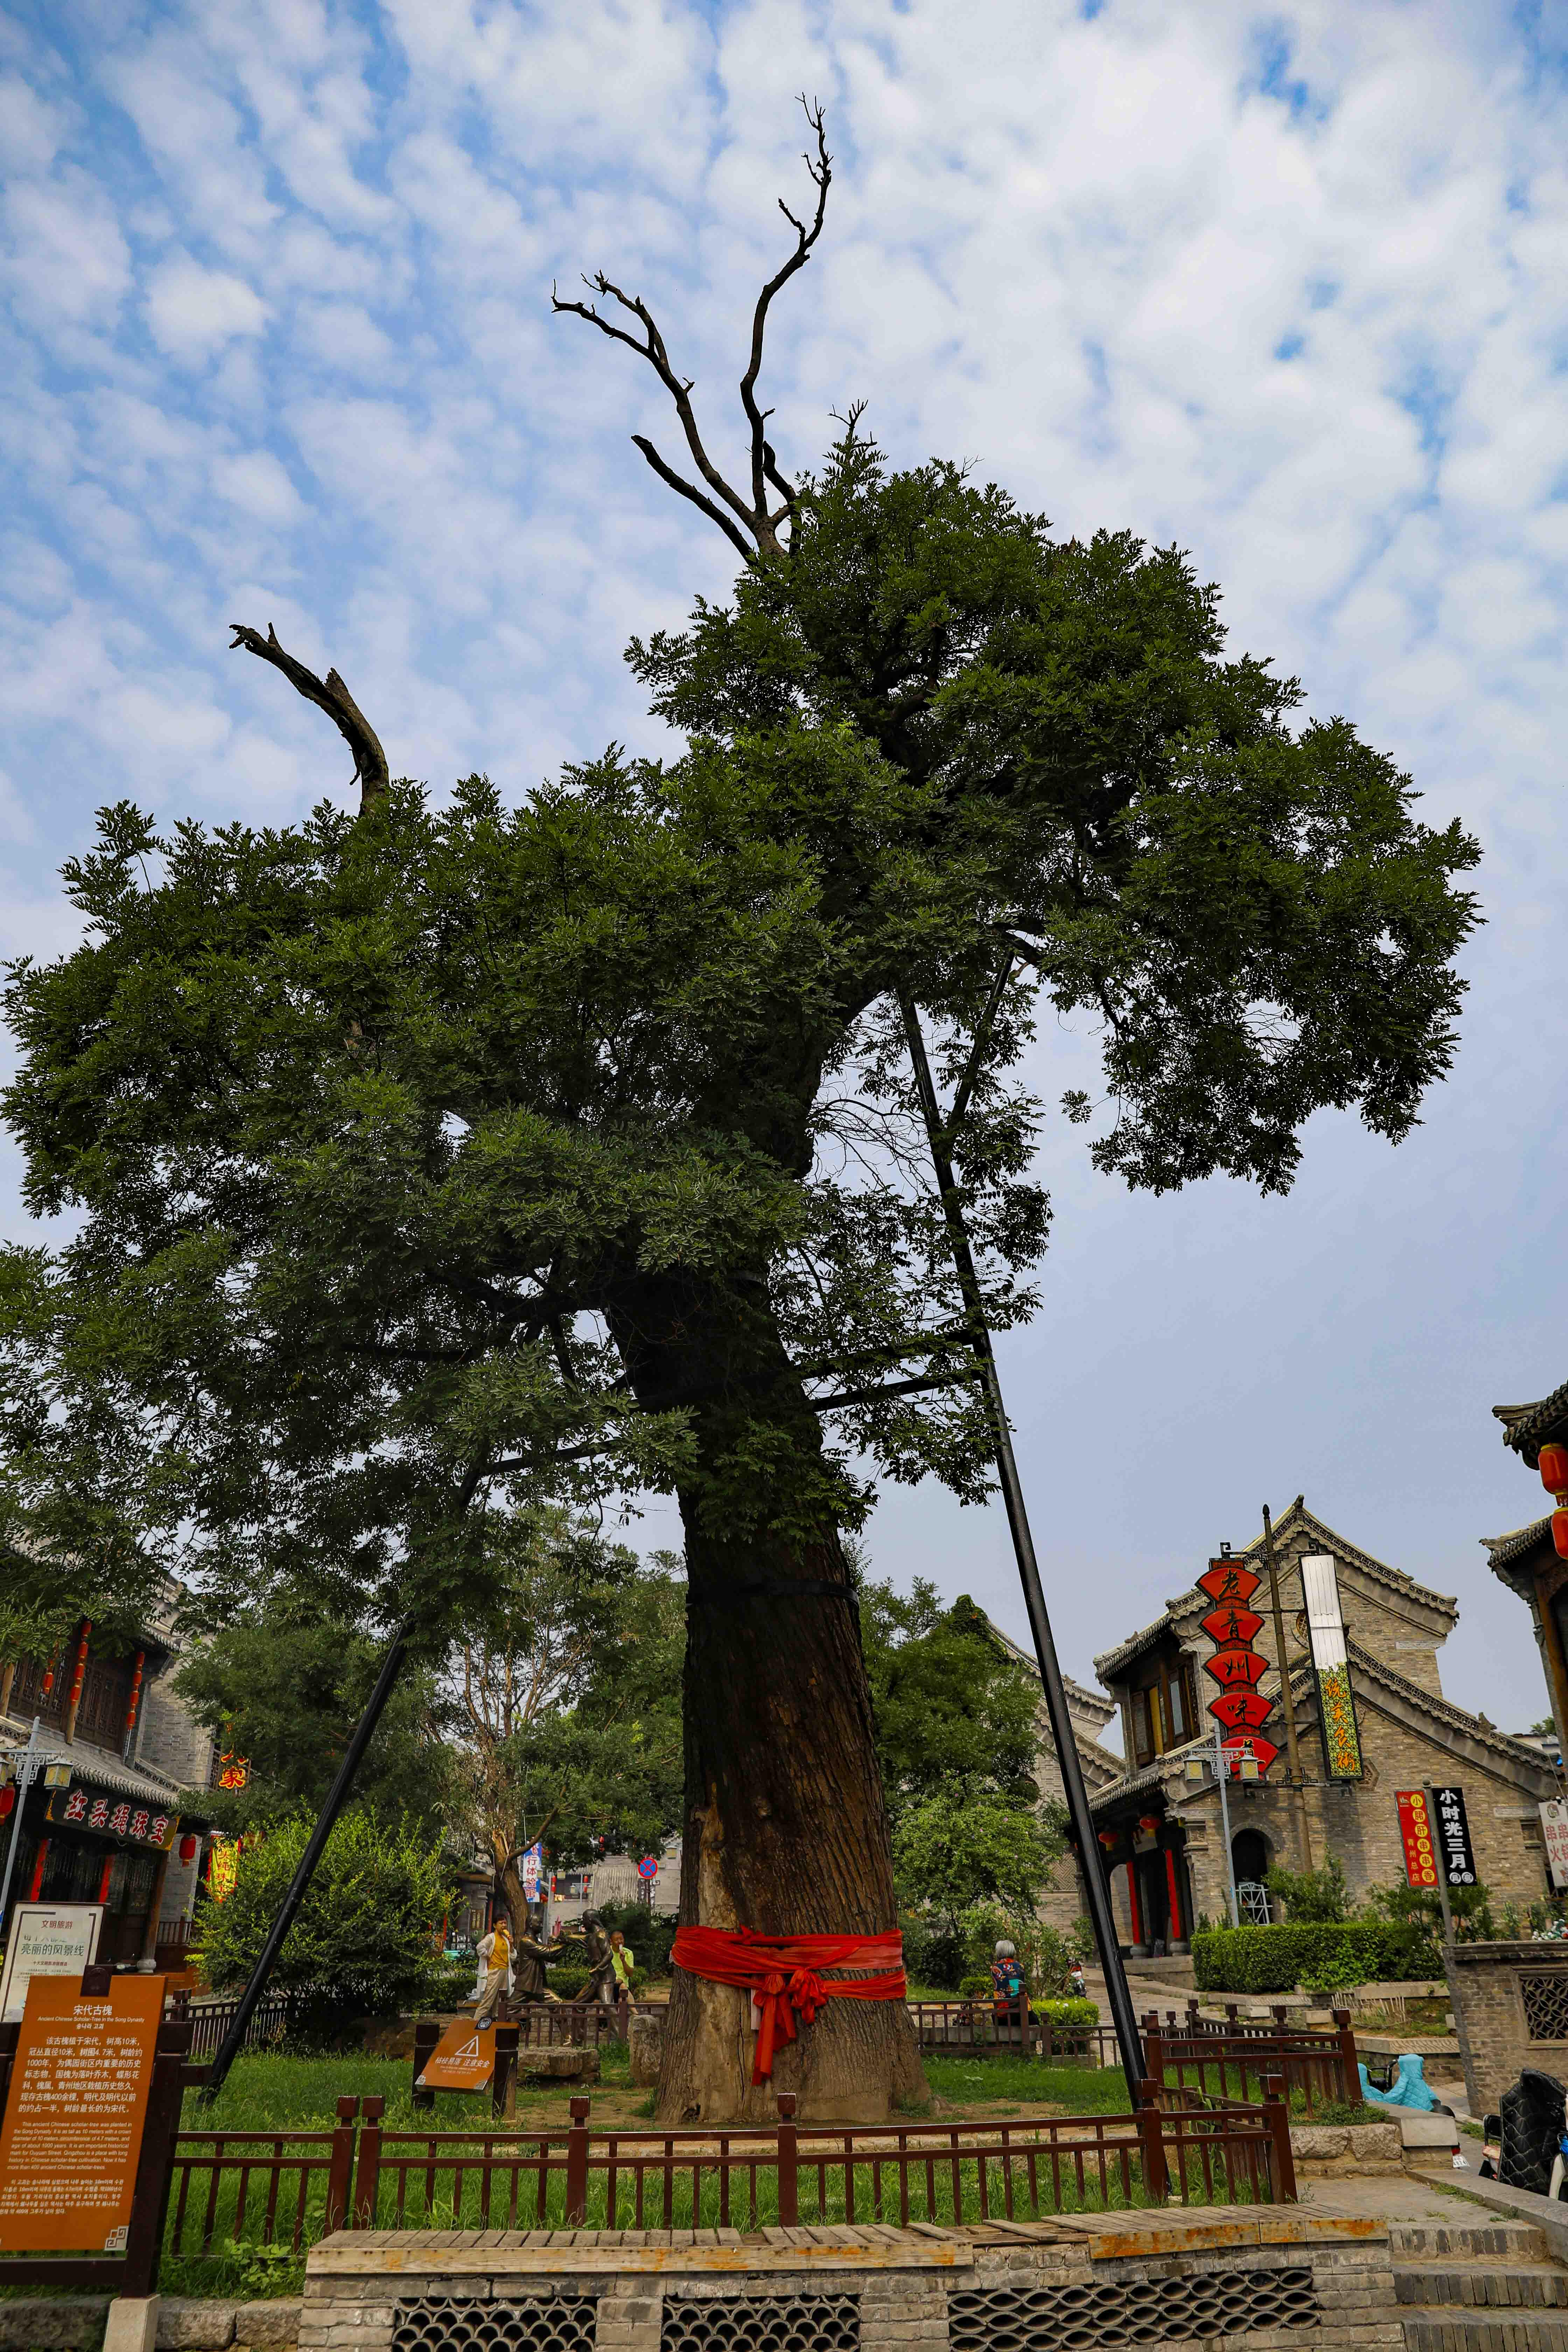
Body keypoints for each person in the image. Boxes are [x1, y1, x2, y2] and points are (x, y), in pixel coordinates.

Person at [473, 1914, 513, 2027]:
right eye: (501, 1923)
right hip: (495, 1971)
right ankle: (474, 2023)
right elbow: (480, 1948)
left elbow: (513, 1956)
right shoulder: (491, 1938)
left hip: (505, 1971)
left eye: (505, 1923)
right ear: (495, 1925)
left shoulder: (506, 1939)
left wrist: (512, 1944)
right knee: (489, 1998)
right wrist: (489, 1957)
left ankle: (496, 2022)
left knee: (501, 1999)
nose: (504, 1926)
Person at [609, 1929, 636, 2006]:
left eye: (621, 1939)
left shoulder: (628, 1953)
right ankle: (637, 2014)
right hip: (610, 1986)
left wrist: (623, 1961)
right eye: (617, 1940)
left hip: (623, 1988)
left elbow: (630, 1975)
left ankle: (636, 2015)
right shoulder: (608, 1952)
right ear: (611, 1942)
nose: (620, 1942)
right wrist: (615, 1979)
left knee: (622, 2001)